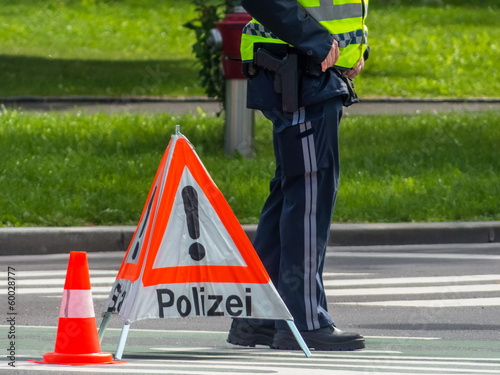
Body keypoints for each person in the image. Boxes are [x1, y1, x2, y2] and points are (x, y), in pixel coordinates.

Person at [226, 0, 369, 351]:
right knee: (308, 195)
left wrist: (355, 51)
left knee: (293, 193)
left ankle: (257, 316)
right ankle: (302, 321)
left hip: (311, 69)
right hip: (298, 69)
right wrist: (318, 42)